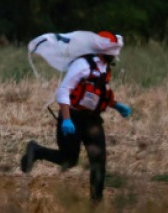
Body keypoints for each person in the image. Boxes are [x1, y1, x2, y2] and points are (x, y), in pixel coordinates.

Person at [20, 30, 132, 203]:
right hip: (72, 116)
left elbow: (101, 93)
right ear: (106, 52)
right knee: (69, 159)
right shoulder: (82, 65)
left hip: (92, 120)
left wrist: (116, 106)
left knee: (99, 160)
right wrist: (66, 119)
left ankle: (96, 203)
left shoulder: (104, 68)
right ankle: (36, 151)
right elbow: (64, 91)